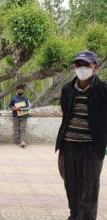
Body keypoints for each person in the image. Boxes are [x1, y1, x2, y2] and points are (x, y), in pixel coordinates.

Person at [56, 50, 107, 220]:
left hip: (92, 148)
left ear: (95, 67)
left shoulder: (104, 90)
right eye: (78, 64)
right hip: (68, 146)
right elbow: (65, 113)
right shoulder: (67, 89)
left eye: (86, 64)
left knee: (89, 189)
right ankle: (74, 215)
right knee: (71, 186)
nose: (82, 68)